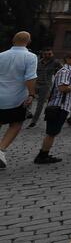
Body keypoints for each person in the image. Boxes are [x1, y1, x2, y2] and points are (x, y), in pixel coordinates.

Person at [33, 51, 71, 164]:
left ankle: (44, 154)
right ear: (68, 59)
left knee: (53, 133)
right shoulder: (65, 71)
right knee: (51, 133)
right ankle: (42, 156)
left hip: (62, 106)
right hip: (58, 106)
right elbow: (62, 88)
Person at [0, 32, 38, 168]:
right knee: (16, 124)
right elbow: (30, 77)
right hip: (17, 97)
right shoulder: (31, 57)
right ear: (29, 41)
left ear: (13, 40)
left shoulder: (1, 55)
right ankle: (1, 149)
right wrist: (31, 94)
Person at [27, 47, 59, 128]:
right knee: (28, 99)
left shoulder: (55, 63)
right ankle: (27, 113)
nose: (47, 55)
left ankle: (34, 121)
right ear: (42, 54)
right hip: (35, 84)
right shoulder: (38, 62)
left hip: (45, 86)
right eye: (45, 54)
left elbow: (60, 72)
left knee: (40, 104)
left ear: (52, 54)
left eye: (49, 54)